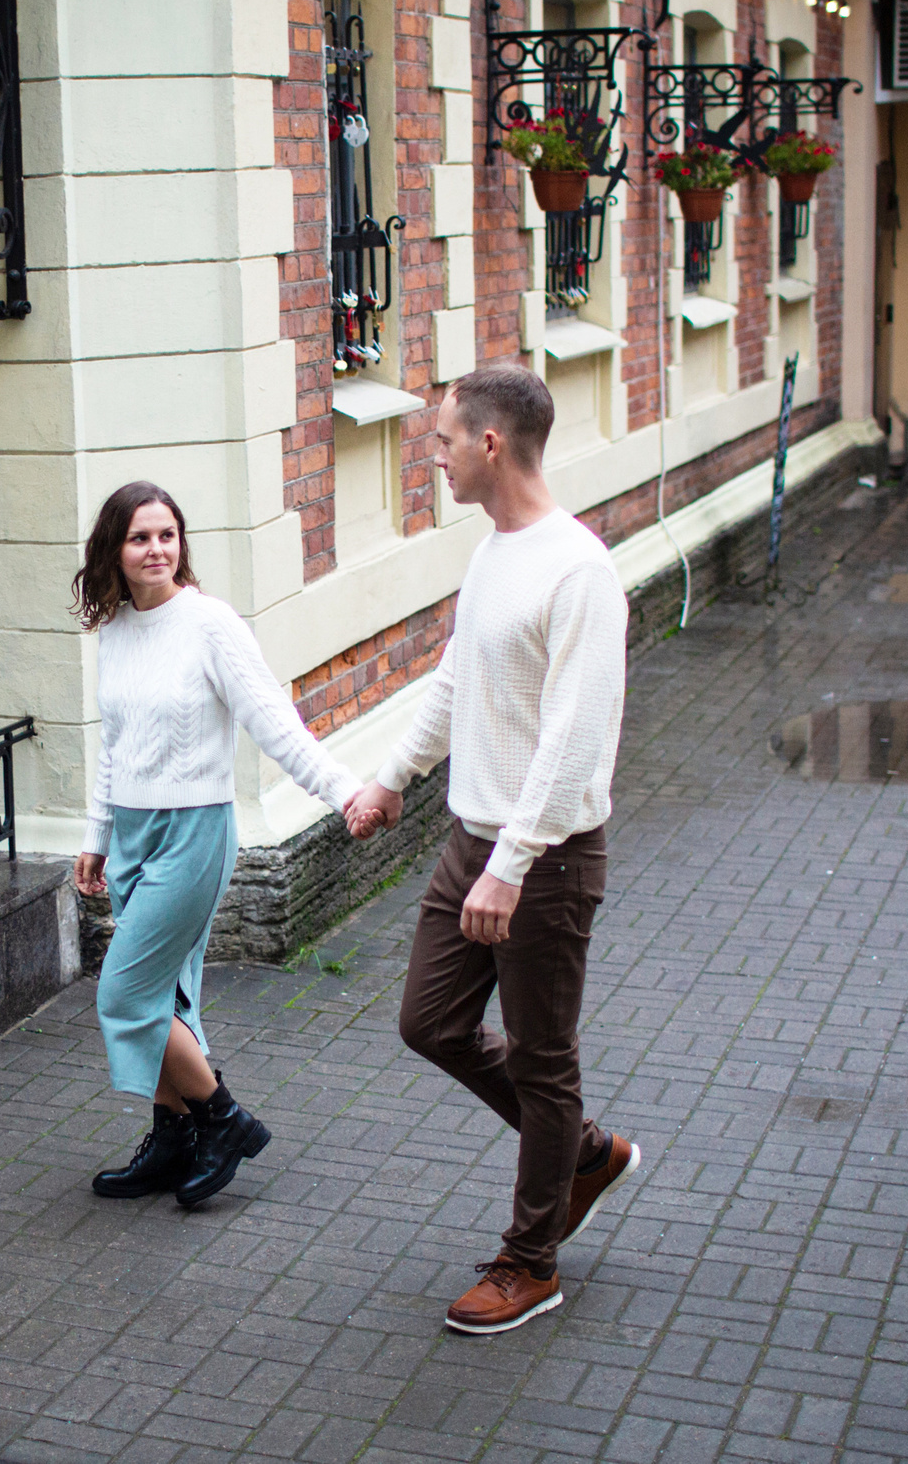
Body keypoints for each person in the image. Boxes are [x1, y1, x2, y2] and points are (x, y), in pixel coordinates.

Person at [343, 363, 639, 1335]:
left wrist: (512, 864)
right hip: (470, 839)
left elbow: (572, 739)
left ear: (489, 444)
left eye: (438, 441)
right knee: (428, 1021)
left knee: (544, 1060)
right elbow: (453, 683)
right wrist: (390, 776)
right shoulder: (491, 554)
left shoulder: (578, 569)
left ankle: (530, 1260)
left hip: (543, 859)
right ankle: (582, 1155)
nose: (429, 457)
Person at [74, 481, 364, 1209]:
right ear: (114, 548)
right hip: (135, 834)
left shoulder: (210, 624)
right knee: (170, 995)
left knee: (126, 992)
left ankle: (225, 1121)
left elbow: (273, 721)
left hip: (195, 830)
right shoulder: (112, 630)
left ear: (182, 545)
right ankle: (173, 1139)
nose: (156, 549)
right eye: (140, 537)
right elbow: (114, 745)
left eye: (167, 535)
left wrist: (344, 791)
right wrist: (97, 836)